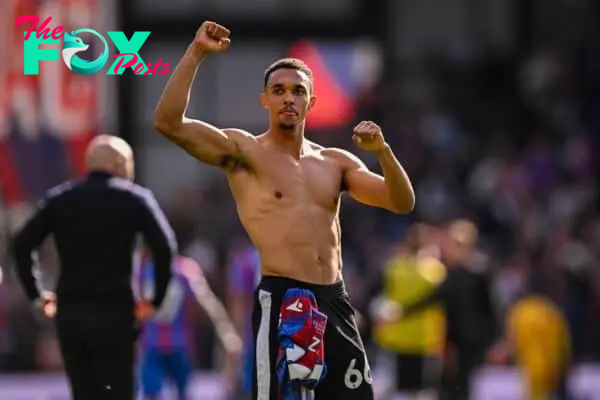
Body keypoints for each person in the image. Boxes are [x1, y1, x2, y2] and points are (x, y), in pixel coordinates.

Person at [154, 21, 415, 400]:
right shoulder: (244, 152)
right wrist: (196, 53)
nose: (288, 98)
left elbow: (401, 201)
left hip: (335, 301)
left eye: (297, 91)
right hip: (282, 300)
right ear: (265, 100)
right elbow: (167, 122)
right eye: (278, 91)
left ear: (312, 101)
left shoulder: (335, 162)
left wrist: (383, 152)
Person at [12, 134, 176, 400]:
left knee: (83, 392)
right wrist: (155, 300)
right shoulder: (135, 199)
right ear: (120, 164)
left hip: (71, 315)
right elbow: (165, 247)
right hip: (117, 313)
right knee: (119, 391)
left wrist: (36, 294)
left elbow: (22, 244)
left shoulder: (60, 199)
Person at [138, 250, 242, 400]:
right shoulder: (183, 270)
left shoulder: (146, 271)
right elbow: (208, 304)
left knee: (164, 392)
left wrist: (227, 333)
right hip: (165, 345)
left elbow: (207, 304)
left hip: (165, 345)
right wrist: (227, 332)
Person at [370, 224, 446, 400]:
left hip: (395, 338)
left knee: (397, 390)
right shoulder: (436, 271)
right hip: (426, 339)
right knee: (424, 391)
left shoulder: (394, 267)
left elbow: (377, 299)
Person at [226, 241, 261, 399]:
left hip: (255, 333)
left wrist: (235, 333)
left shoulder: (245, 260)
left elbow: (238, 301)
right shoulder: (289, 255)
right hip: (283, 332)